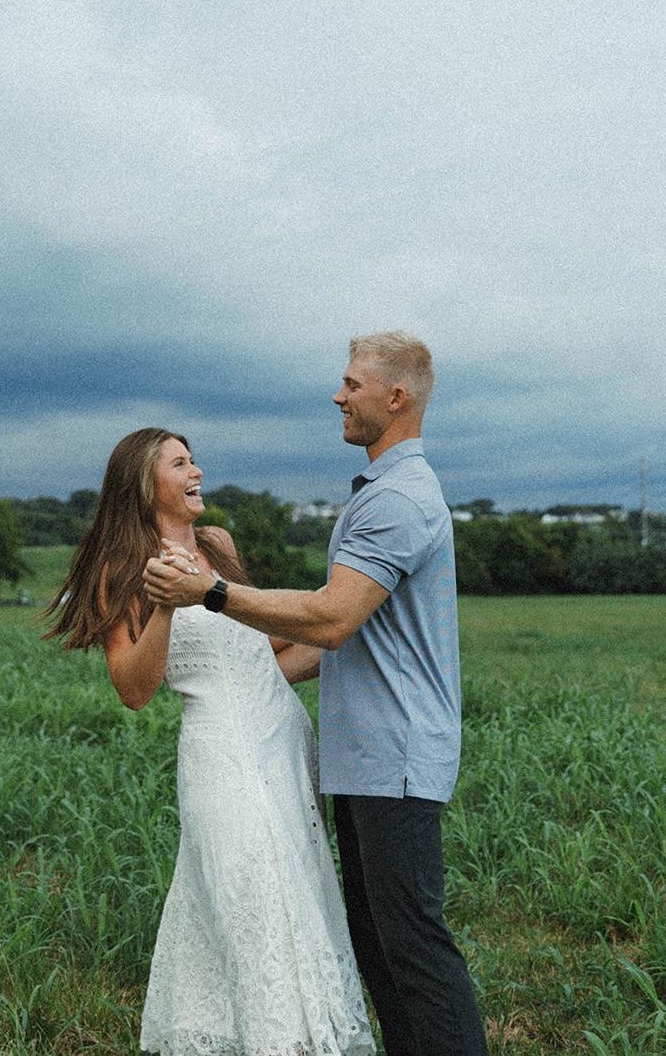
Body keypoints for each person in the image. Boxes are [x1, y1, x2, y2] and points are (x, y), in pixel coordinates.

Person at [144, 332, 489, 1056]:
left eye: (352, 384)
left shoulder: (398, 499)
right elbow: (342, 640)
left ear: (395, 397)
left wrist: (213, 591)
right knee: (382, 949)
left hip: (395, 753)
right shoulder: (378, 493)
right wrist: (235, 682)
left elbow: (332, 619)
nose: (339, 395)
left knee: (414, 948)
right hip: (363, 758)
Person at [43, 427, 374, 1056]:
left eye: (194, 461)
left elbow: (256, 647)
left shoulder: (218, 544)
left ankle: (308, 1037)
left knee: (297, 892)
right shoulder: (121, 570)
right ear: (146, 484)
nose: (196, 472)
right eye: (180, 464)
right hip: (220, 753)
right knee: (249, 896)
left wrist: (343, 624)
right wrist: (166, 605)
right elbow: (134, 689)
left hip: (283, 741)